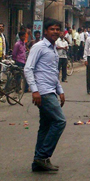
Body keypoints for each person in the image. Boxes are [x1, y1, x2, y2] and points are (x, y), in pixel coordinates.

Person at [24, 19, 67, 172]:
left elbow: (52, 72)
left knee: (46, 126)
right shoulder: (39, 47)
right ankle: (42, 156)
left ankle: (38, 161)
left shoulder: (53, 49)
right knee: (60, 121)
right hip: (43, 91)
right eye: (52, 29)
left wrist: (60, 90)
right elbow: (28, 69)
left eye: (57, 29)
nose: (55, 32)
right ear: (45, 31)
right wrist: (34, 90)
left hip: (51, 90)